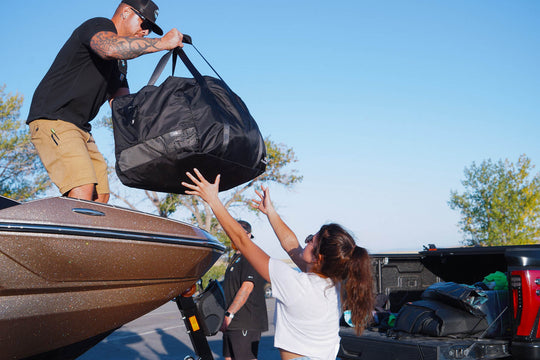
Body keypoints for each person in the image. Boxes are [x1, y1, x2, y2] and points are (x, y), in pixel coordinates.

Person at [182, 169, 374, 360]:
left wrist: (213, 200)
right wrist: (270, 212)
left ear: (319, 258)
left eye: (310, 240)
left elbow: (242, 241)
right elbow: (291, 246)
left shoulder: (295, 284)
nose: (305, 242)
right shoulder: (333, 283)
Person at [27, 0, 184, 203]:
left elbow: (122, 105)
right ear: (126, 12)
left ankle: (85, 234)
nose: (146, 32)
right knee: (82, 188)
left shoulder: (120, 62)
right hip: (54, 119)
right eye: (144, 24)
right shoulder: (98, 26)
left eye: (150, 29)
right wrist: (161, 43)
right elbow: (110, 48)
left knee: (101, 196)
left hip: (81, 128)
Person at [221, 220, 268, 360]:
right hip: (233, 322)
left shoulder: (251, 256)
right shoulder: (236, 257)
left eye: (236, 233)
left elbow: (246, 288)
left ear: (247, 235)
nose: (232, 236)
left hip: (245, 321)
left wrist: (230, 314)